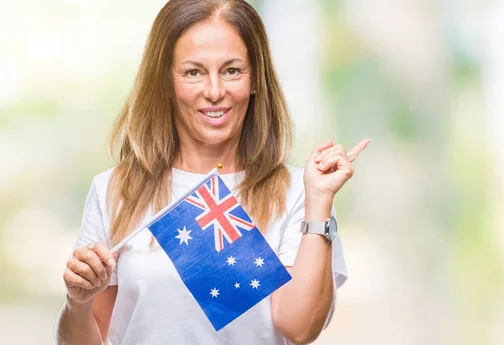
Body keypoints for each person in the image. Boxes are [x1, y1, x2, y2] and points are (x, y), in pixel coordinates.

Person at [55, 0, 369, 344]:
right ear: (166, 82)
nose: (215, 91)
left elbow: (299, 327)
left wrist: (320, 202)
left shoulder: (299, 193)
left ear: (255, 79)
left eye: (232, 70)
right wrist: (77, 301)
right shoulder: (115, 190)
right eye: (194, 72)